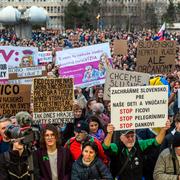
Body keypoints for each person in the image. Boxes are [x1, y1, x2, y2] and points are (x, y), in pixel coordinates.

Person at [103, 120, 170, 180]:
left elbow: (156, 142)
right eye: (127, 136)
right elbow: (106, 147)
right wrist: (109, 134)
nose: (131, 139)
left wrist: (163, 129)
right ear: (121, 138)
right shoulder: (117, 147)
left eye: (132, 136)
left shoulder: (140, 145)